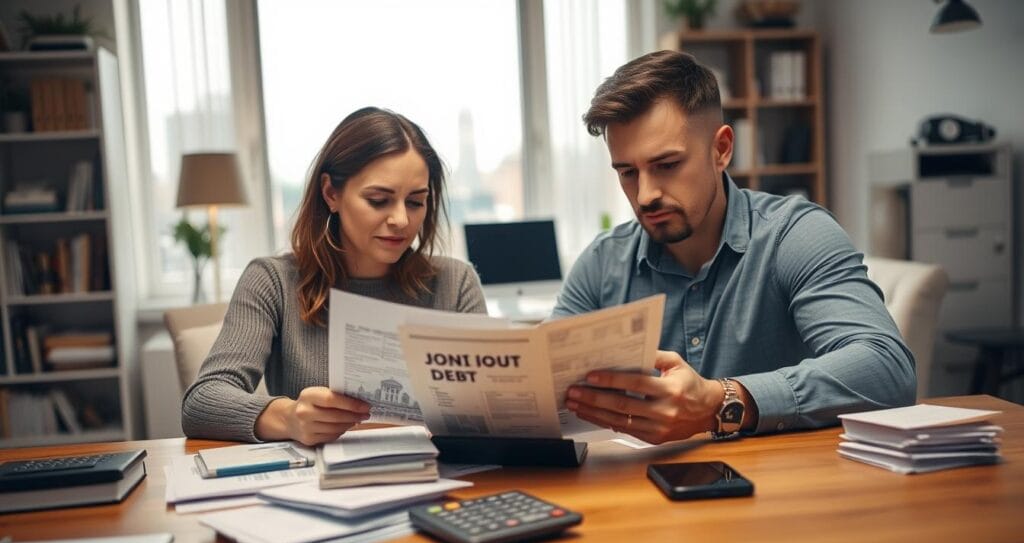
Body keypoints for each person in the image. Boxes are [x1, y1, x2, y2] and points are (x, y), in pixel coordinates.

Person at [558, 51, 916, 445]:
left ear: (722, 149)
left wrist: (722, 402)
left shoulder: (795, 235)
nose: (645, 196)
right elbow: (542, 389)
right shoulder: (601, 262)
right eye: (627, 173)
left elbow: (888, 369)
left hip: (786, 494)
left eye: (667, 165)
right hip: (643, 494)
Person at [181, 107, 487, 445]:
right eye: (379, 200)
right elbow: (202, 401)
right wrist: (289, 417)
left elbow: (491, 405)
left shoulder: (455, 282)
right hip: (318, 484)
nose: (401, 219)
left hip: (441, 480)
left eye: (416, 202)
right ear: (331, 193)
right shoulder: (272, 281)